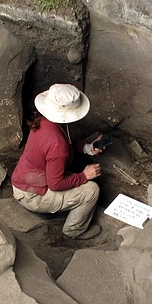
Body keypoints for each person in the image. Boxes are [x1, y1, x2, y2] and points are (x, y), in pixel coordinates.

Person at [11, 83, 104, 239]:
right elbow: (55, 183)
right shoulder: (57, 144)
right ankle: (73, 230)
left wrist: (87, 148)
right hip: (32, 195)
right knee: (92, 190)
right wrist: (84, 176)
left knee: (72, 172)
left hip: (25, 182)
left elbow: (62, 146)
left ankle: (51, 209)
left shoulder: (43, 121)